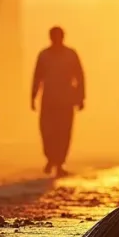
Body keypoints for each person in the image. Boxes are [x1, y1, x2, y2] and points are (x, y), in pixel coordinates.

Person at [31, 27, 85, 175]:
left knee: (64, 132)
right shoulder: (44, 55)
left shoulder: (70, 55)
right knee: (47, 131)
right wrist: (33, 96)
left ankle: (59, 162)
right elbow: (37, 77)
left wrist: (80, 97)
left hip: (66, 99)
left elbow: (79, 77)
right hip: (49, 99)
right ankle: (50, 158)